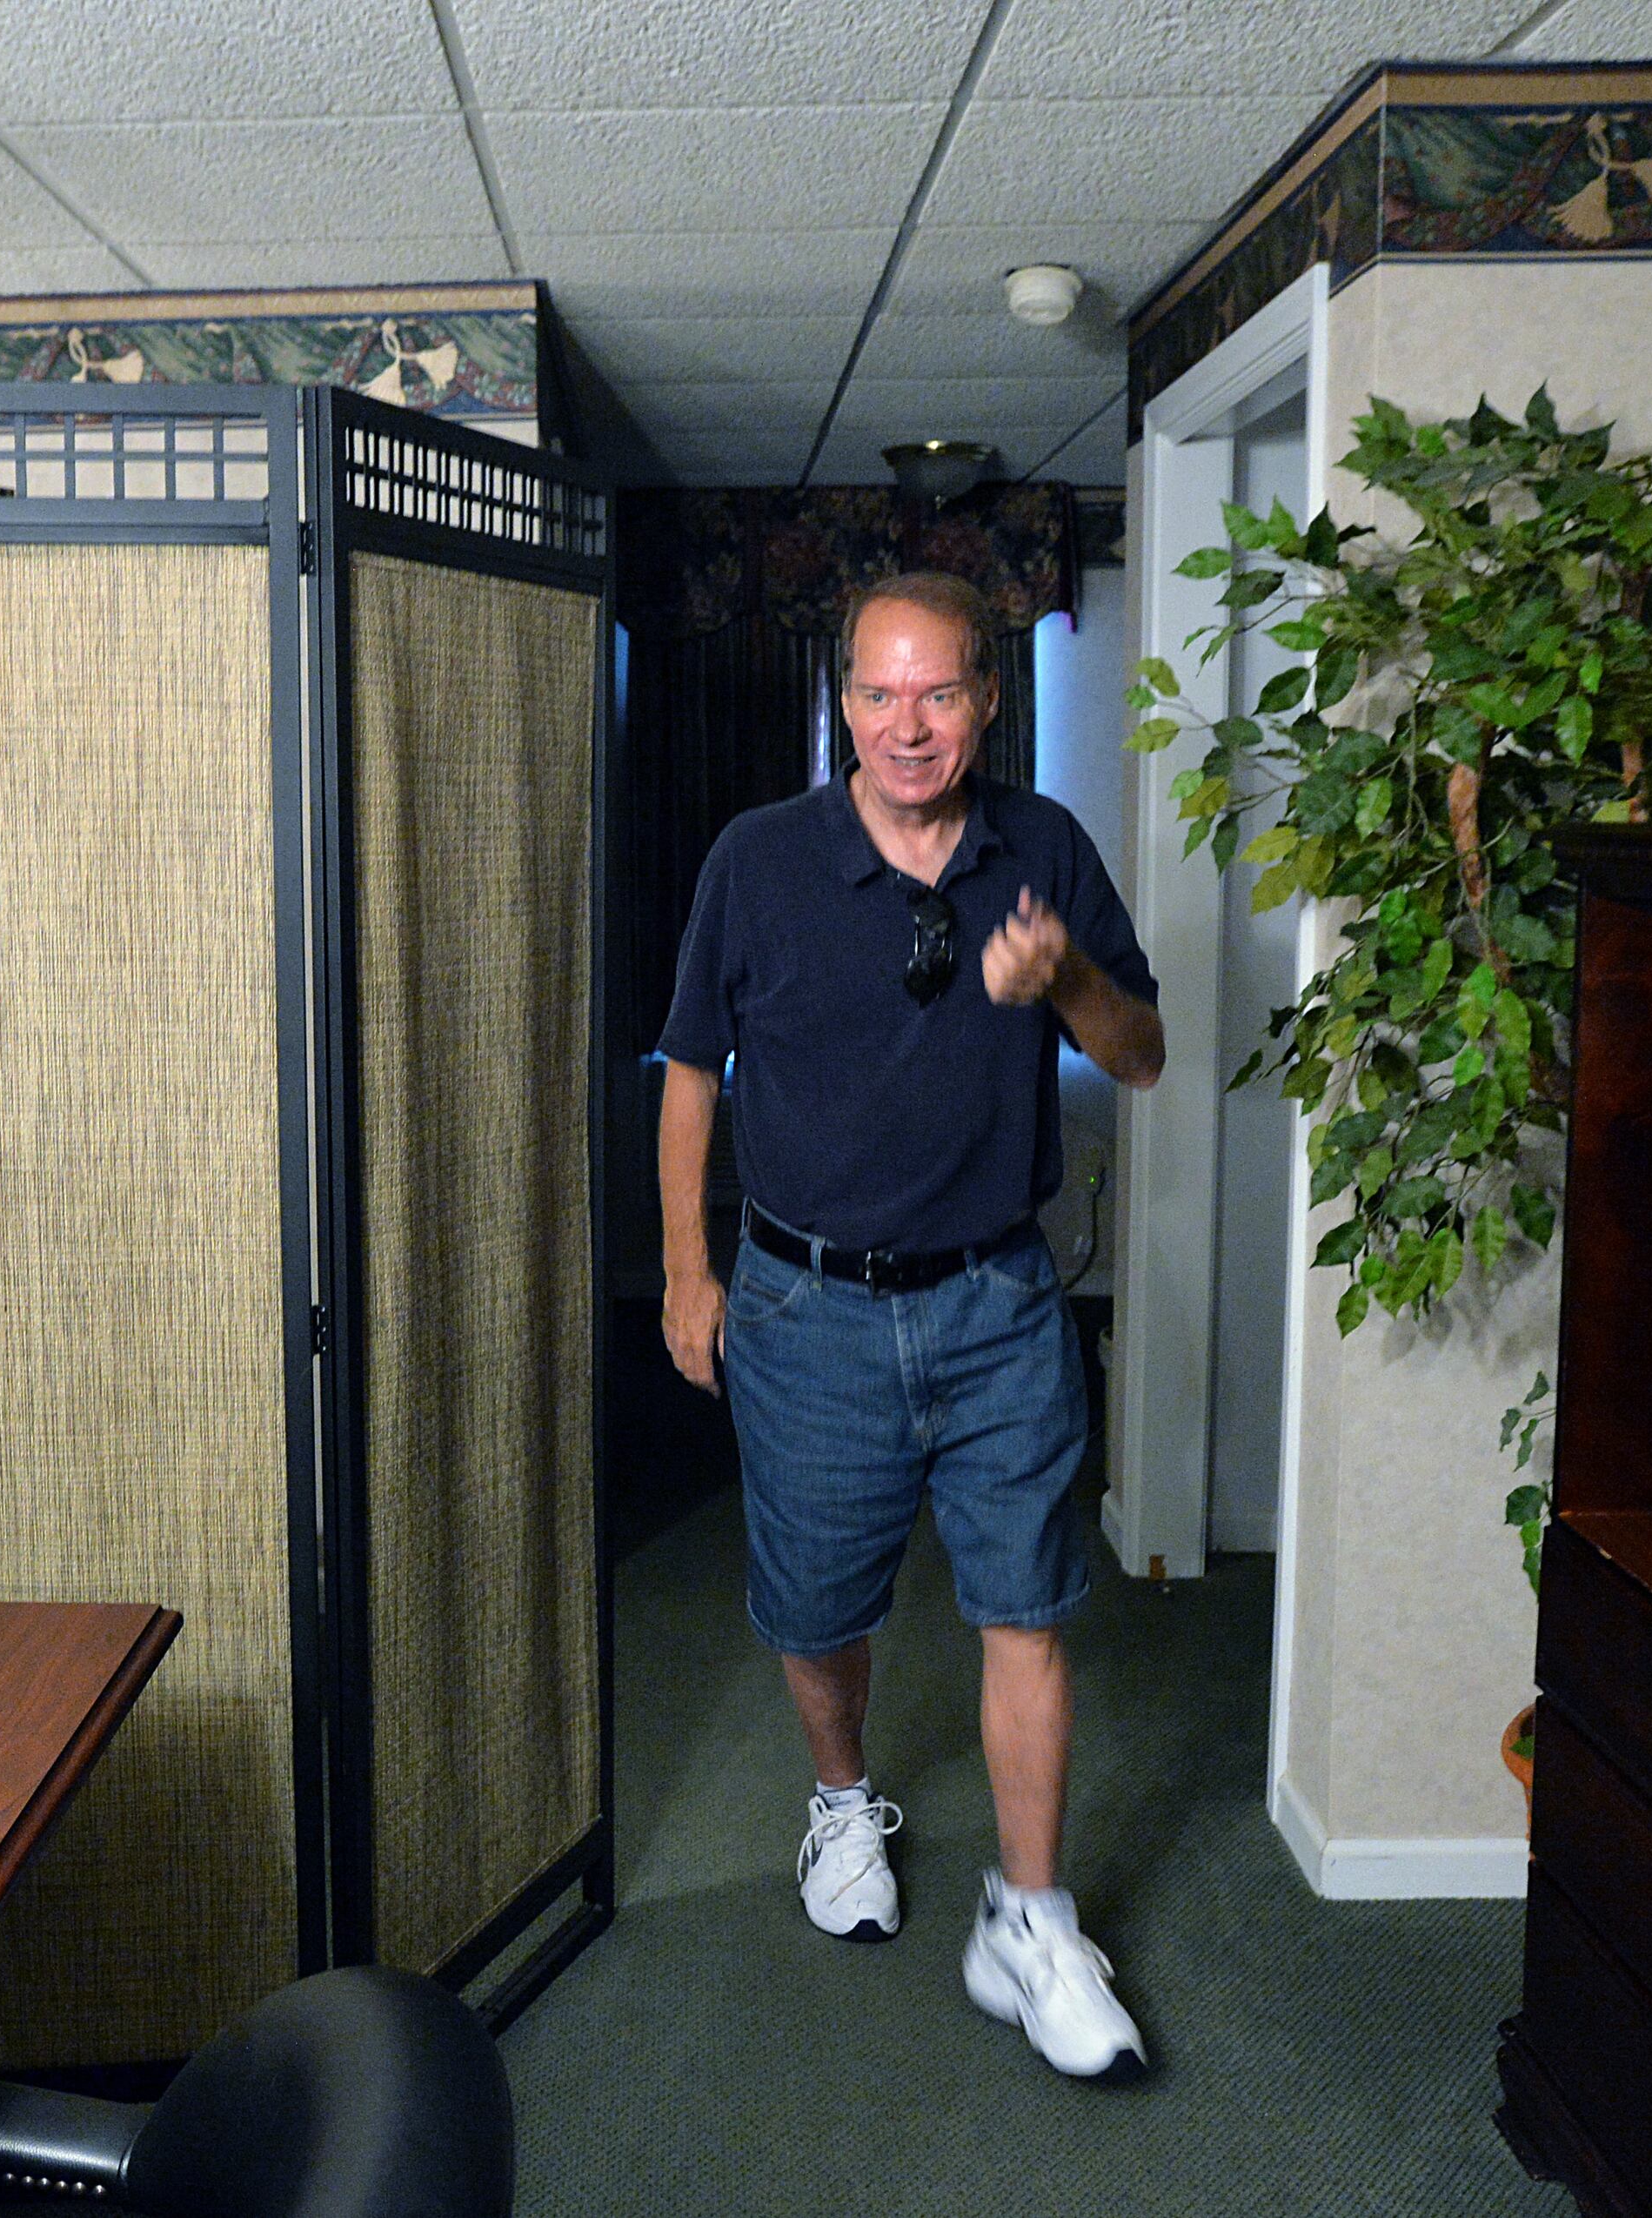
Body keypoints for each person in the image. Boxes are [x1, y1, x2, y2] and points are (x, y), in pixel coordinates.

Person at [655, 570, 1167, 2079]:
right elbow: (691, 1067)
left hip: (1002, 1299)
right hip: (806, 1304)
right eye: (877, 692)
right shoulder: (758, 861)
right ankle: (839, 1795)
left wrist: (1064, 973)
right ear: (842, 701)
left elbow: (1138, 1052)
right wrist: (689, 1268)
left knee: (1028, 1601)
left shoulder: (1047, 846)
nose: (906, 722)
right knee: (820, 1611)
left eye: (937, 690)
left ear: (988, 699)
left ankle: (1028, 1918)